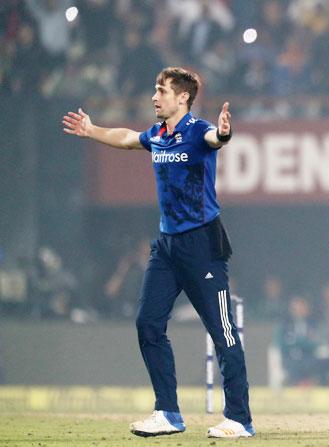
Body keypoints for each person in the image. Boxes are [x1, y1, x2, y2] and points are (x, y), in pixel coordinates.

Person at [62, 67, 254, 439]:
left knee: (223, 333)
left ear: (182, 97)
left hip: (202, 245)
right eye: (155, 90)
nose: (154, 97)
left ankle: (239, 419)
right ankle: (167, 412)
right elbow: (128, 138)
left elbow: (217, 138)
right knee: (148, 324)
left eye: (161, 91)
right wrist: (92, 130)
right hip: (166, 247)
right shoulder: (159, 135)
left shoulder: (198, 131)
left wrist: (225, 132)